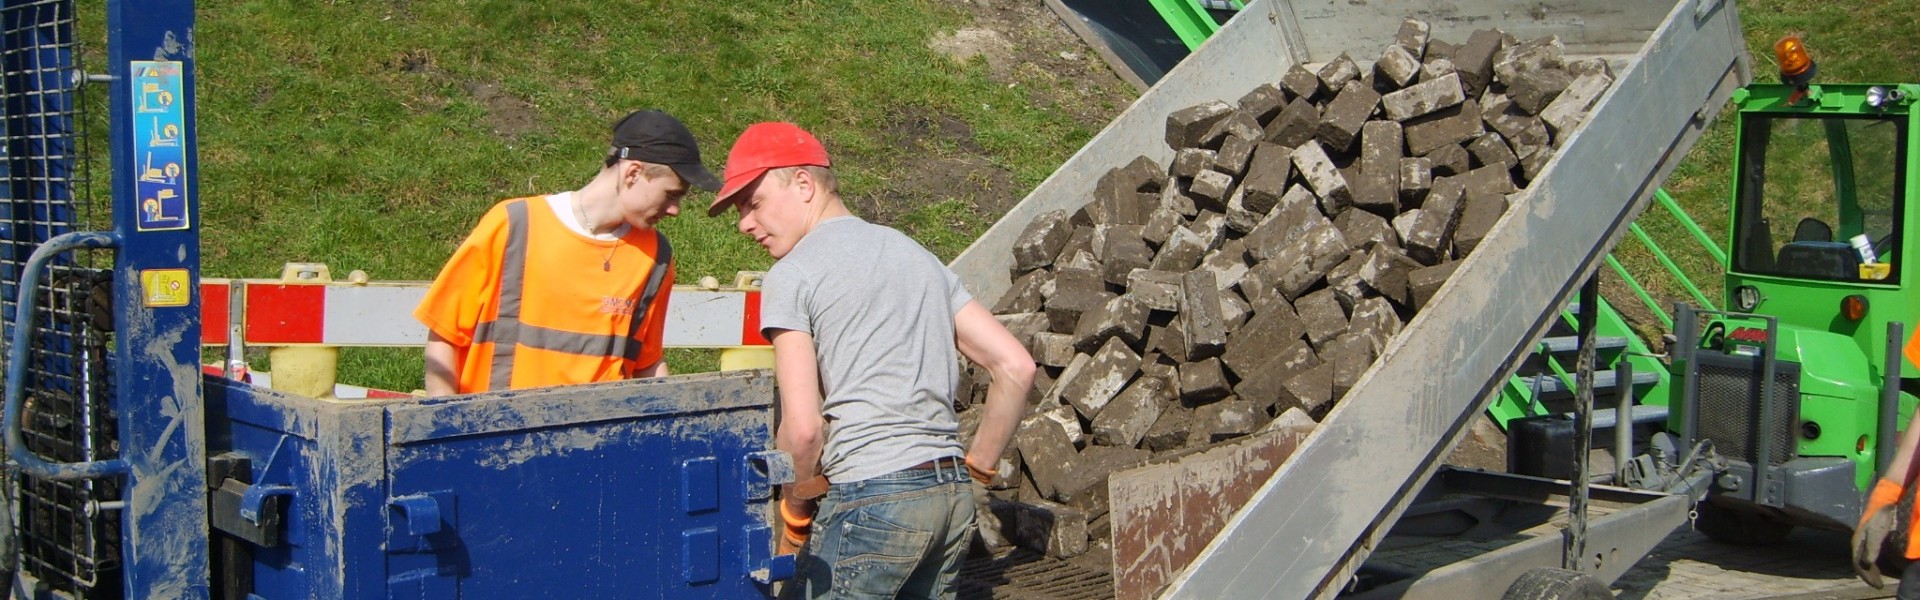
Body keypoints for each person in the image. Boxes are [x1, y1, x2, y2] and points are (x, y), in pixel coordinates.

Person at [709, 122, 1032, 599]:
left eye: (753, 203)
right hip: (950, 496)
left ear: (803, 184)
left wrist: (794, 513)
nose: (744, 223)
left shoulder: (792, 274)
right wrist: (977, 473)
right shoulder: (917, 255)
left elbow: (803, 429)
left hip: (872, 495)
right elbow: (1015, 367)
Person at [415, 109, 719, 395]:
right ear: (632, 173)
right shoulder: (513, 225)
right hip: (494, 440)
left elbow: (647, 364)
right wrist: (443, 426)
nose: (675, 210)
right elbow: (445, 337)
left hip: (598, 446)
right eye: (671, 194)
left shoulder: (656, 257)